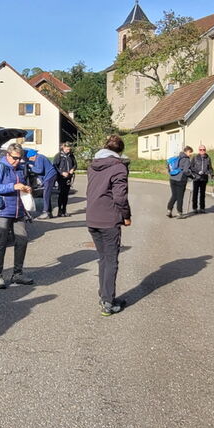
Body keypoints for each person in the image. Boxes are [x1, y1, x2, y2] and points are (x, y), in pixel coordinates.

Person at [86, 135, 132, 316]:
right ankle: (108, 302)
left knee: (103, 258)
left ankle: (104, 295)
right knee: (111, 260)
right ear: (120, 151)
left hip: (92, 217)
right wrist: (126, 215)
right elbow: (120, 197)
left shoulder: (93, 165)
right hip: (108, 219)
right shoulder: (118, 167)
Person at [0, 143, 35, 289]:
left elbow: (21, 186)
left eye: (19, 158)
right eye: (15, 158)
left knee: (22, 240)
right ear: (7, 155)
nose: (17, 161)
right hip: (3, 211)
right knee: (0, 243)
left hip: (18, 211)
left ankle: (17, 274)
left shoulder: (20, 168)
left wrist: (26, 188)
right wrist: (13, 186)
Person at [26, 149, 59, 219]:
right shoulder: (40, 157)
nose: (30, 159)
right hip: (50, 176)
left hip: (50, 176)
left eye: (30, 158)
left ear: (33, 156)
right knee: (47, 194)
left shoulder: (39, 158)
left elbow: (40, 170)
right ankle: (49, 212)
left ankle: (45, 212)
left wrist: (31, 168)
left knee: (46, 194)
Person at [166, 146, 194, 218]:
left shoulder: (177, 157)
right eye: (190, 152)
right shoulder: (186, 159)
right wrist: (192, 176)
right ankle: (179, 213)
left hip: (172, 178)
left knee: (174, 195)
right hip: (181, 180)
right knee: (180, 197)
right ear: (187, 151)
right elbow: (186, 171)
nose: (191, 154)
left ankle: (169, 210)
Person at [51, 143, 77, 217]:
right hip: (61, 177)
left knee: (66, 194)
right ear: (63, 148)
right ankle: (60, 211)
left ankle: (64, 210)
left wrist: (73, 169)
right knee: (61, 193)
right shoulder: (58, 155)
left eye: (69, 149)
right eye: (67, 149)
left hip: (69, 177)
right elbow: (55, 166)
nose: (68, 150)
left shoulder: (71, 155)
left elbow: (75, 164)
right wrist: (61, 172)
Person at [189, 145, 214, 214]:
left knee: (202, 194)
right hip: (196, 178)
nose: (202, 151)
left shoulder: (208, 158)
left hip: (204, 178)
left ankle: (202, 208)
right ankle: (195, 208)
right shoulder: (195, 157)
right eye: (201, 150)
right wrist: (198, 171)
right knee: (195, 193)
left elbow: (210, 168)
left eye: (204, 149)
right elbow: (191, 167)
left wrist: (212, 174)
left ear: (205, 150)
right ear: (199, 150)